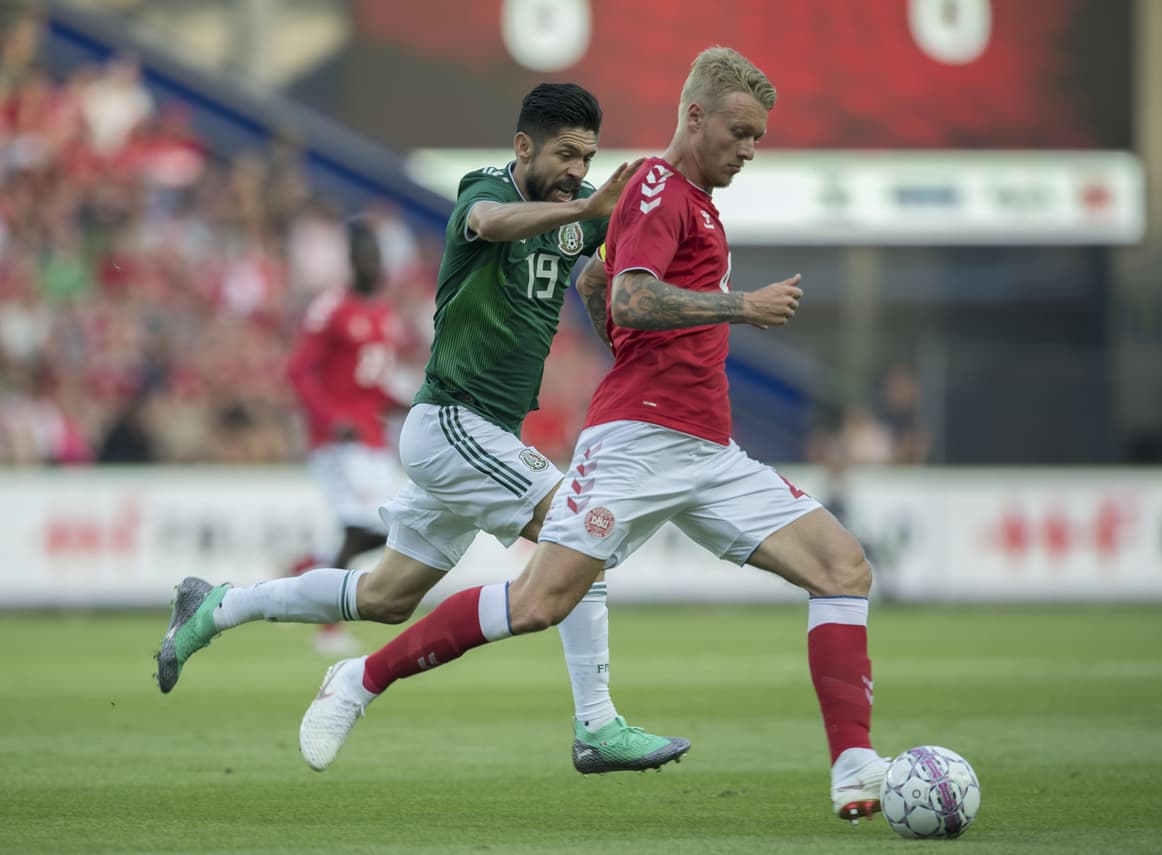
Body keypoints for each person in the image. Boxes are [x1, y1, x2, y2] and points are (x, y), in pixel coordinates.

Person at [298, 48, 890, 826]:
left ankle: (855, 768)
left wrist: (622, 322)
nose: (749, 150)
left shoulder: (696, 206)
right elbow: (637, 297)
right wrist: (738, 307)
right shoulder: (654, 185)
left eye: (758, 139)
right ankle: (359, 680)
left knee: (843, 567)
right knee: (539, 600)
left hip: (708, 449)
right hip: (637, 443)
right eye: (740, 132)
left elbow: (599, 282)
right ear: (695, 116)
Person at [156, 83, 690, 775]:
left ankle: (217, 606)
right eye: (564, 153)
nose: (576, 170)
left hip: (475, 434)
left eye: (587, 157)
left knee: (385, 596)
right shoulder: (484, 190)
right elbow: (493, 223)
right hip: (453, 423)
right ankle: (597, 724)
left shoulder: (573, 210)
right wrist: (588, 208)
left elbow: (623, 228)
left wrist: (667, 169)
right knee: (579, 531)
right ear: (523, 145)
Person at [283, 216, 410, 655]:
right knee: (360, 526)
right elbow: (299, 371)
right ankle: (328, 627)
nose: (372, 263)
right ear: (352, 260)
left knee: (395, 530)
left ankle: (306, 569)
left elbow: (374, 385)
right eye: (365, 255)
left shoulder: (384, 315)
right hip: (338, 441)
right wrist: (330, 416)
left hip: (373, 439)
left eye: (377, 256)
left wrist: (408, 408)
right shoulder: (330, 307)